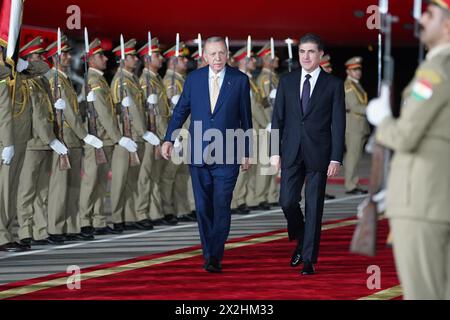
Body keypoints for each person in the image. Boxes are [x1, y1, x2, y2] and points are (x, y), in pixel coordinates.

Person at [366, 0, 450, 299]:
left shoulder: (435, 70)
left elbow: (406, 137)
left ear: (447, 25)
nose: (421, 19)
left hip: (422, 203)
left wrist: (383, 120)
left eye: (429, 14)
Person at [162, 37, 252, 273]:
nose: (218, 58)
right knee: (203, 207)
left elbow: (246, 118)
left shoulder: (239, 80)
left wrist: (246, 152)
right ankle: (208, 251)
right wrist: (169, 138)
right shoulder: (194, 79)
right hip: (198, 153)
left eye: (221, 53)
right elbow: (181, 110)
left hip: (227, 153)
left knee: (221, 204)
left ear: (227, 54)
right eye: (213, 54)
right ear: (204, 56)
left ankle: (215, 255)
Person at [270, 33, 346, 275]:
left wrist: (336, 157)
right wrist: (274, 151)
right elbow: (277, 119)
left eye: (311, 52)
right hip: (291, 151)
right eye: (302, 52)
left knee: (314, 207)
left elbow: (338, 123)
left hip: (319, 154)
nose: (306, 56)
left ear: (320, 54)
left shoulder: (333, 84)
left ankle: (308, 260)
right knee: (287, 201)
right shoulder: (287, 81)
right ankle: (303, 238)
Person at [343, 56, 369, 195]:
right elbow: (355, 106)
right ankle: (350, 185)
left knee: (356, 156)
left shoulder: (356, 84)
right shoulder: (348, 86)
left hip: (359, 125)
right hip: (353, 125)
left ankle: (353, 182)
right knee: (352, 156)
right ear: (348, 71)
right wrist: (371, 110)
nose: (358, 72)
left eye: (359, 69)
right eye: (354, 70)